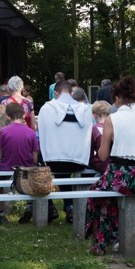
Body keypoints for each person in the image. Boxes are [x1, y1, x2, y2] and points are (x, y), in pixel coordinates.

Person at [85, 76, 135, 255]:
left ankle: (101, 243)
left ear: (118, 98)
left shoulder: (113, 119)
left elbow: (103, 155)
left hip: (122, 176)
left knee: (98, 197)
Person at [37, 78, 94, 223]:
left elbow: (42, 137)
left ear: (56, 93)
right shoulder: (86, 110)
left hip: (53, 162)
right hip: (79, 162)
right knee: (65, 169)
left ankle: (50, 207)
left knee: (41, 163)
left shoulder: (47, 108)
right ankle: (69, 206)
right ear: (71, 92)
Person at [0, 101, 39, 223]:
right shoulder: (31, 132)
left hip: (6, 169)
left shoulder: (3, 131)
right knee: (31, 176)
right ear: (23, 114)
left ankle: (0, 213)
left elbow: (0, 155)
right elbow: (35, 158)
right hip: (26, 170)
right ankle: (29, 206)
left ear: (8, 116)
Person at [89, 100, 111, 174]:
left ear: (94, 114)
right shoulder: (114, 127)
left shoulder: (94, 129)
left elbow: (90, 152)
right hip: (113, 164)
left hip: (101, 165)